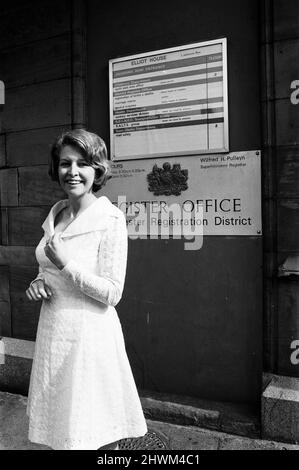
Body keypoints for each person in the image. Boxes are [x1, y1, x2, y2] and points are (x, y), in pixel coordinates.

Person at [25, 129, 147, 450]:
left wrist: (67, 265)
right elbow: (47, 267)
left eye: (83, 163)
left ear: (98, 169)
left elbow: (112, 293)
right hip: (54, 336)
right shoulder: (56, 215)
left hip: (89, 341)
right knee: (61, 429)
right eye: (65, 163)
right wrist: (39, 282)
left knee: (93, 430)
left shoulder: (110, 219)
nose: (73, 172)